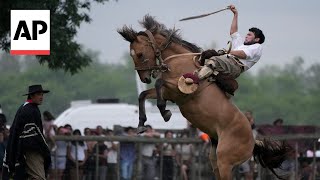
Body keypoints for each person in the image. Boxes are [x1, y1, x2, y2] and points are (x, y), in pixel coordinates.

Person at [197, 4, 265, 82]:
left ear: (257, 39)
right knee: (205, 55)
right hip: (227, 62)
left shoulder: (258, 47)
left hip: (235, 66)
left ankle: (195, 80)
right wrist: (235, 14)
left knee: (214, 60)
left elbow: (244, 54)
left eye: (249, 35)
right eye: (247, 34)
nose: (246, 36)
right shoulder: (241, 45)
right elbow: (233, 32)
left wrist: (227, 51)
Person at [2, 84, 51, 180]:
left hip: (22, 150)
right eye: (38, 94)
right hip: (31, 151)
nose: (41, 97)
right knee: (38, 177)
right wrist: (45, 149)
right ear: (31, 96)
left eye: (42, 94)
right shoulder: (30, 110)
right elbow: (32, 135)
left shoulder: (25, 108)